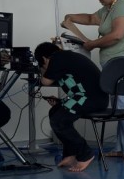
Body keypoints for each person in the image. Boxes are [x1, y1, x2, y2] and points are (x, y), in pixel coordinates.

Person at [60, 0, 124, 162]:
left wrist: (92, 44)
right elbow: (91, 18)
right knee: (118, 105)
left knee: (123, 105)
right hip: (113, 63)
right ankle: (122, 148)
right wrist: (71, 17)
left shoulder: (123, 6)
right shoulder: (108, 8)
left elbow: (117, 35)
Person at [34, 40, 108, 172]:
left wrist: (42, 71)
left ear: (44, 59)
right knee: (55, 111)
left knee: (59, 119)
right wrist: (61, 102)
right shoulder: (65, 57)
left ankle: (85, 154)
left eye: (42, 64)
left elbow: (45, 81)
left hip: (91, 99)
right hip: (89, 97)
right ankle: (71, 154)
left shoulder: (57, 58)